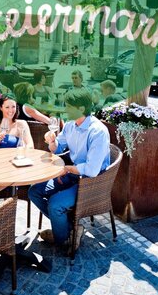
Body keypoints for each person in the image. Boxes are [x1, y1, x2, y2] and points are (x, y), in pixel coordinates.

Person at [28, 88, 110, 251]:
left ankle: (63, 238)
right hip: (72, 175)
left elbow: (92, 170)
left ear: (80, 109)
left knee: (55, 204)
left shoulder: (98, 132)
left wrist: (66, 169)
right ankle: (68, 229)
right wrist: (52, 141)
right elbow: (58, 148)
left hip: (91, 182)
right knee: (34, 192)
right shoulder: (71, 124)